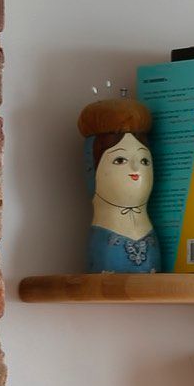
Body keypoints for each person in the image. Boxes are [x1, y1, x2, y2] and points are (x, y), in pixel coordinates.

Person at [79, 94, 162, 273]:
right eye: (120, 160)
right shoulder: (104, 236)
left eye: (144, 161)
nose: (135, 169)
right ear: (91, 168)